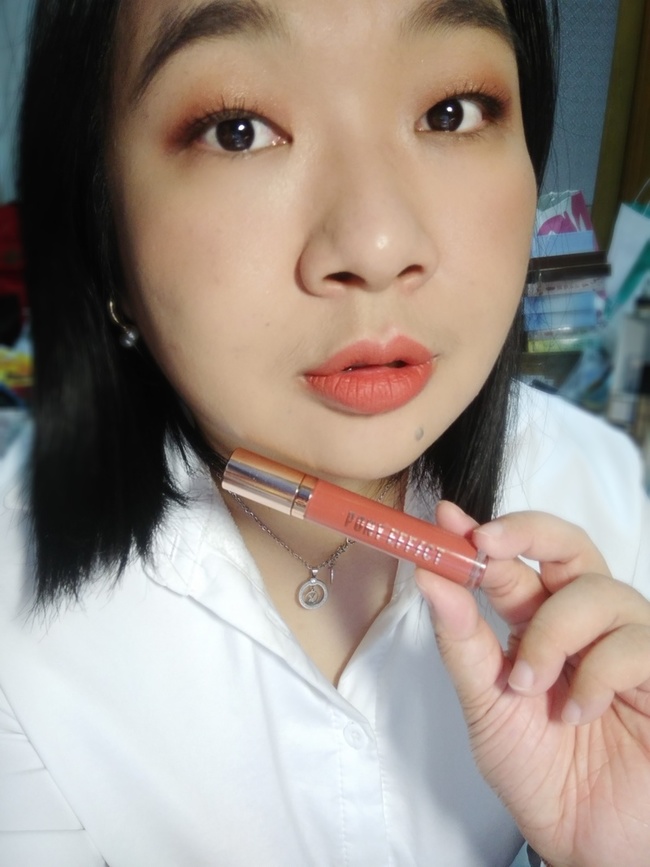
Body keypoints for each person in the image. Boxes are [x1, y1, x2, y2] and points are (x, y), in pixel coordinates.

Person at [1, 0, 649, 864]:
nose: (377, 245)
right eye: (237, 130)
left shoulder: (605, 494)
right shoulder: (20, 640)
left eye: (450, 111)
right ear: (104, 226)